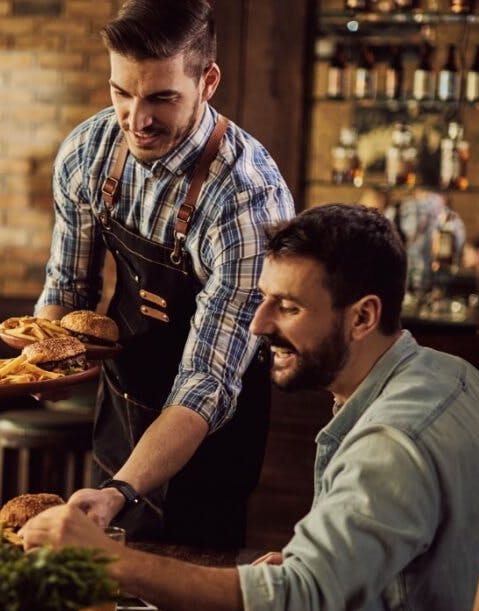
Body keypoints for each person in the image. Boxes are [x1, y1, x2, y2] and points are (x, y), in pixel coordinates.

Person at [22, 204, 479, 611]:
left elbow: (297, 605)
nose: (260, 325)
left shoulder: (391, 443)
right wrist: (324, 566)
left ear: (363, 317)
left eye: (287, 306)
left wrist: (109, 559)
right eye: (263, 299)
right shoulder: (451, 375)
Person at [36, 0, 295, 546]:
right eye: (121, 93)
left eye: (161, 98)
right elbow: (68, 289)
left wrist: (121, 491)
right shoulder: (89, 152)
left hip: (207, 447)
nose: (136, 119)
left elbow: (206, 382)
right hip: (121, 413)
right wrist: (48, 364)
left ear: (208, 82)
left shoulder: (248, 201)